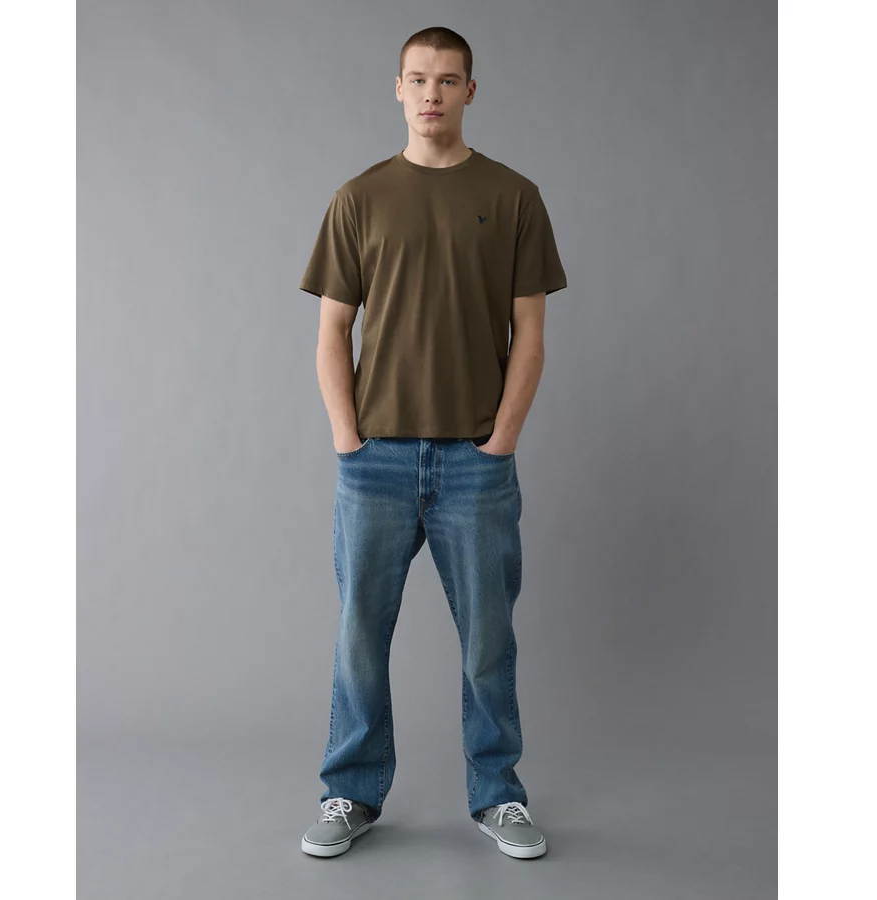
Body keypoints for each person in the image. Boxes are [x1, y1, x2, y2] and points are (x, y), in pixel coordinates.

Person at [297, 26, 567, 860]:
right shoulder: (359, 198)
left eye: (448, 80)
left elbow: (530, 334)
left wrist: (501, 440)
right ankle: (350, 791)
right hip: (375, 461)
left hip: (474, 464)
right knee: (358, 637)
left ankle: (499, 795)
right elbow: (332, 331)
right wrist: (348, 439)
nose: (432, 94)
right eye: (418, 79)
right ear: (398, 88)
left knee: (488, 642)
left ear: (470, 92)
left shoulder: (513, 196)